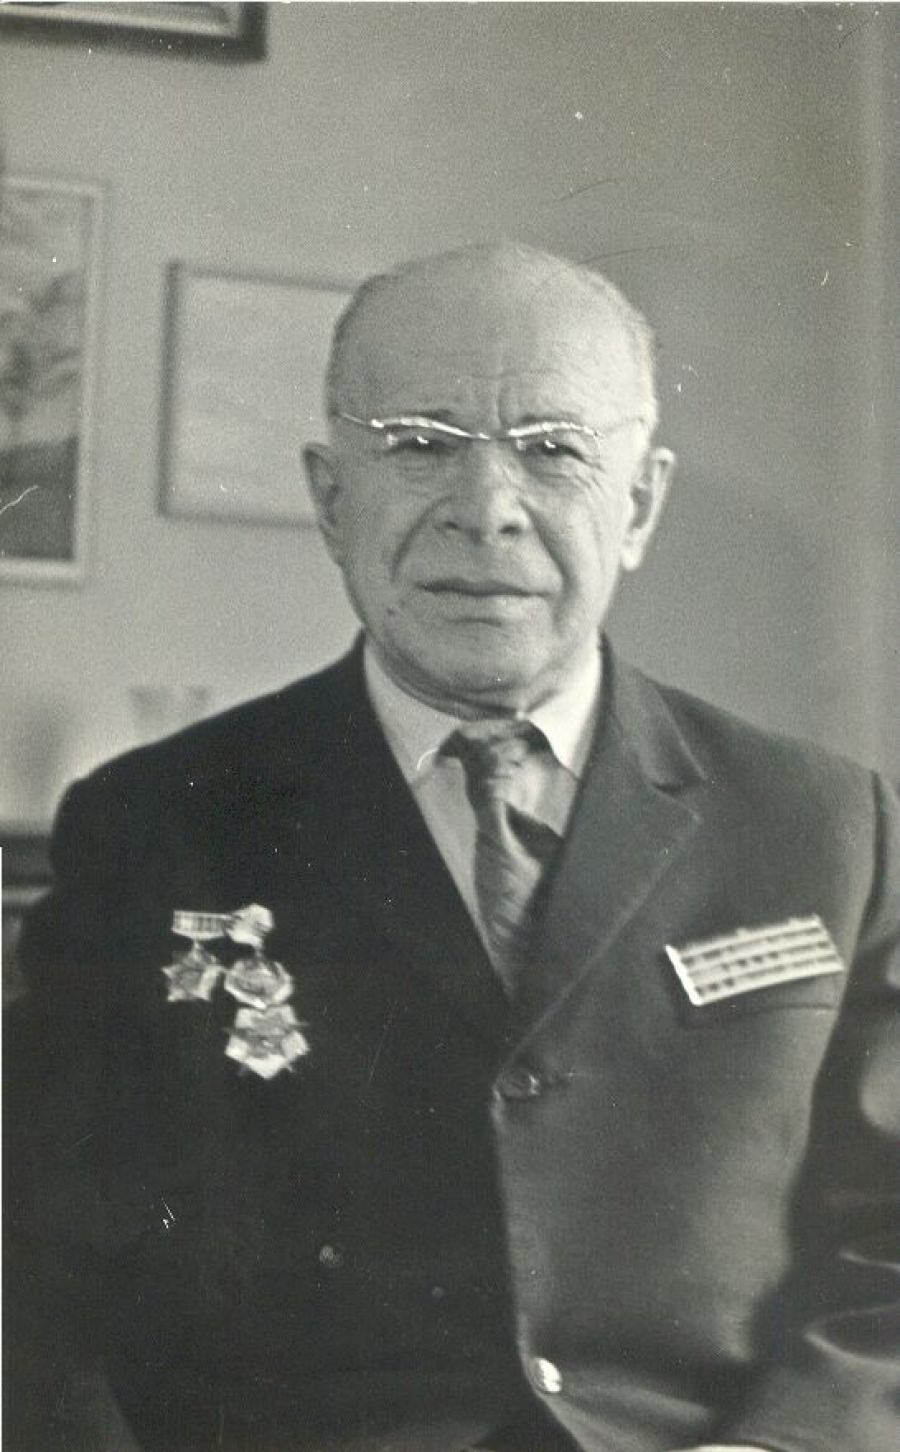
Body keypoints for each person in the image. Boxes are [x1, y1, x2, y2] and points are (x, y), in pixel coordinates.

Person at [5, 243, 898, 1452]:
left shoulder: (822, 825)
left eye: (553, 449)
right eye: (420, 443)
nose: (486, 510)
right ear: (333, 499)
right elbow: (32, 1280)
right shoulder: (152, 826)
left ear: (638, 505)